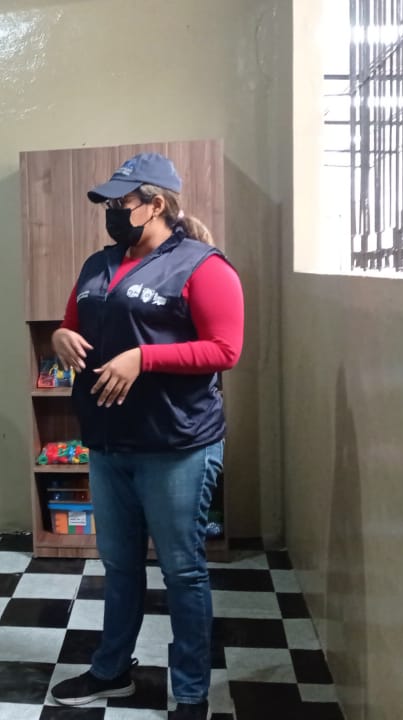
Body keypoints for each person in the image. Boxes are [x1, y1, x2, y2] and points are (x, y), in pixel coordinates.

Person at [48, 154, 244, 720]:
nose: (111, 212)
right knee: (120, 565)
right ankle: (112, 670)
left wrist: (144, 358)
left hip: (176, 444)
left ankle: (191, 692)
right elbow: (71, 325)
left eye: (121, 202)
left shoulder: (203, 266)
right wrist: (60, 337)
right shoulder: (98, 264)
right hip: (108, 441)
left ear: (155, 204)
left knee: (182, 570)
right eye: (108, 203)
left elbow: (225, 349)